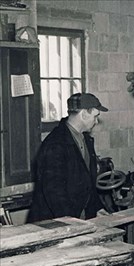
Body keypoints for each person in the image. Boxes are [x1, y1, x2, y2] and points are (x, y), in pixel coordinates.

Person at [28, 93, 109, 222]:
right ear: (84, 114)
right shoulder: (55, 144)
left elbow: (87, 183)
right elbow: (55, 193)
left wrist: (96, 208)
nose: (96, 121)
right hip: (53, 222)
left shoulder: (85, 139)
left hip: (76, 218)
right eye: (95, 116)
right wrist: (72, 223)